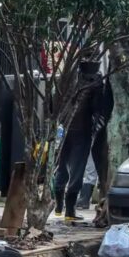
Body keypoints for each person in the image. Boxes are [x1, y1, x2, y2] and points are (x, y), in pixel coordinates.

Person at [53, 62, 112, 222]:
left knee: (62, 165)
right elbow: (97, 108)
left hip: (63, 127)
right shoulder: (95, 82)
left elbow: (55, 101)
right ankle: (70, 210)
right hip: (82, 131)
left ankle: (59, 206)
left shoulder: (67, 78)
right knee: (77, 170)